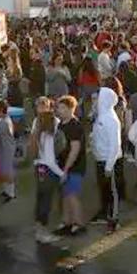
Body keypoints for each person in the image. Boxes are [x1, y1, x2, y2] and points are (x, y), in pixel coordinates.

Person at [29, 101, 65, 243]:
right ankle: (42, 233)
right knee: (46, 201)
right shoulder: (49, 134)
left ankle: (38, 227)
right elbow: (50, 159)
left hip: (39, 168)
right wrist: (62, 174)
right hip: (49, 170)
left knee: (41, 199)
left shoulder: (38, 131)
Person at [54, 95, 86, 237]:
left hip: (74, 167)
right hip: (62, 166)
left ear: (70, 109)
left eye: (61, 108)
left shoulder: (74, 126)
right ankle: (67, 221)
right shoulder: (61, 124)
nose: (58, 110)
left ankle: (79, 224)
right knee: (65, 194)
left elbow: (75, 149)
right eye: (58, 107)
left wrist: (66, 169)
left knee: (72, 195)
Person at [91, 86, 123, 232]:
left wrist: (109, 166)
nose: (94, 101)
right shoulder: (100, 116)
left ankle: (113, 219)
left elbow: (115, 145)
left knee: (112, 191)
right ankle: (104, 213)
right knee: (103, 188)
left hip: (109, 161)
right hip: (100, 159)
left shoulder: (111, 119)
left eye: (97, 98)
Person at [0, 100, 17, 202]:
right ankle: (6, 190)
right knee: (3, 169)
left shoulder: (5, 122)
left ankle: (11, 193)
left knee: (7, 170)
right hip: (1, 148)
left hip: (7, 149)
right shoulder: (1, 119)